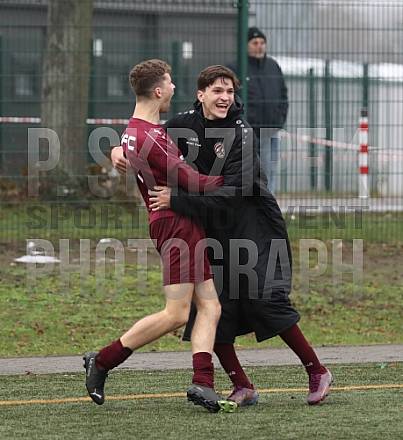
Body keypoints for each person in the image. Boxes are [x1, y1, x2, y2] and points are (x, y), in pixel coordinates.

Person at [111, 65, 332, 407]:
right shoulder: (184, 124)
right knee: (213, 309)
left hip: (252, 224)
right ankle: (242, 385)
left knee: (265, 299)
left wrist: (177, 200)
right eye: (217, 90)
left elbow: (237, 192)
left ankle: (317, 371)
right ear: (201, 95)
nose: (225, 97)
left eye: (230, 91)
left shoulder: (241, 133)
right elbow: (144, 137)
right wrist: (117, 150)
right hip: (211, 224)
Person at [84, 59, 237, 414]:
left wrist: (116, 150)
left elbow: (129, 148)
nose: (173, 88)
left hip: (178, 221)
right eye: (169, 83)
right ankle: (102, 360)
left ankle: (203, 382)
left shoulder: (136, 130)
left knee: (210, 306)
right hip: (175, 223)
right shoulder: (151, 137)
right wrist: (237, 182)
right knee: (177, 313)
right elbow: (190, 180)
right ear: (157, 90)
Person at [228, 26, 288, 194]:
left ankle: (267, 204)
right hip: (248, 131)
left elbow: (283, 94)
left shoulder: (273, 66)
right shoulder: (235, 68)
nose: (259, 46)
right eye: (255, 43)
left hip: (272, 129)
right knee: (252, 173)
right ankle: (259, 205)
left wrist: (280, 120)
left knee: (270, 171)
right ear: (246, 45)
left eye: (262, 42)